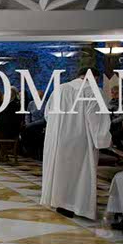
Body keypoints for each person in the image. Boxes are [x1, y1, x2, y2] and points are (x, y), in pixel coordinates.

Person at [41, 68, 112, 219]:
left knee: (60, 171)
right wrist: (103, 140)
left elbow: (47, 114)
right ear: (95, 78)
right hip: (80, 139)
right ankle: (76, 206)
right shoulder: (93, 91)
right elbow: (97, 119)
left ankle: (58, 201)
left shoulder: (60, 89)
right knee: (79, 173)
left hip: (57, 138)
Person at [21, 90, 46, 159]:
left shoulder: (45, 104)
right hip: (30, 124)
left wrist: (31, 124)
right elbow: (28, 114)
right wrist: (27, 123)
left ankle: (34, 153)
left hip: (39, 124)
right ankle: (27, 151)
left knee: (32, 132)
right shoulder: (31, 103)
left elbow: (44, 119)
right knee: (24, 131)